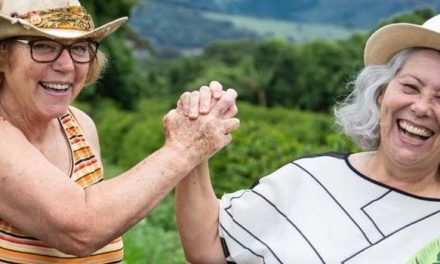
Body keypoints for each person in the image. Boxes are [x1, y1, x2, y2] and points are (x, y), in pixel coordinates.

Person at [175, 14, 440, 263]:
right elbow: (208, 245)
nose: (421, 107)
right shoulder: (310, 177)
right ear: (381, 92)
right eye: (410, 87)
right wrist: (192, 147)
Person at [0, 0, 239, 263]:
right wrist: (185, 147)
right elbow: (81, 229)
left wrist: (195, 128)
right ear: (3, 56)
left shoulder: (79, 126)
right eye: (43, 46)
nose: (67, 65)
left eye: (79, 48)